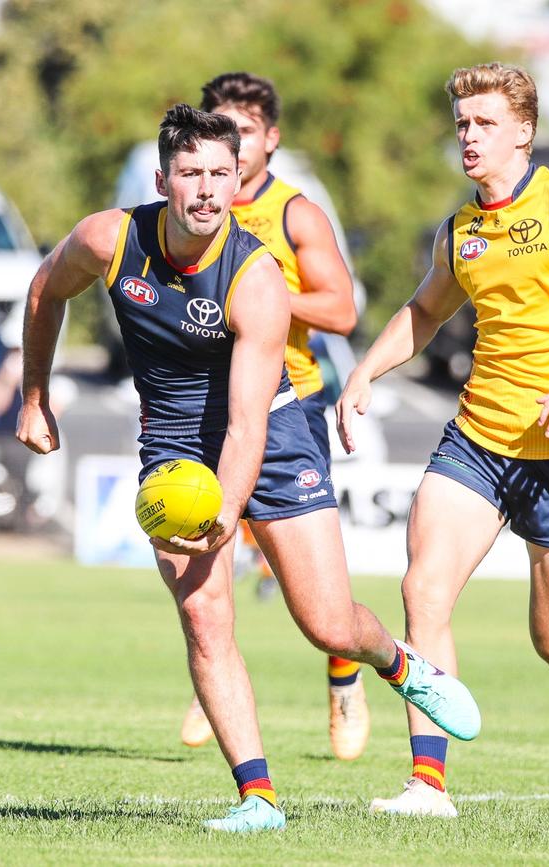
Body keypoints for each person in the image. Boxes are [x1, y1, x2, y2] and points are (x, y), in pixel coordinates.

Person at [17, 104, 480, 833]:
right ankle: (257, 798)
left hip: (275, 429)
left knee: (327, 623)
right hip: (172, 445)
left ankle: (401, 665)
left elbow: (246, 423)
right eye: (191, 173)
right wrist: (34, 397)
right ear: (164, 178)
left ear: (241, 180)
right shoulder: (109, 238)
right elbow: (44, 292)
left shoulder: (257, 279)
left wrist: (228, 511)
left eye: (220, 175)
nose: (206, 189)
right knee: (205, 616)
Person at [336, 61, 549, 818]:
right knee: (421, 588)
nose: (469, 137)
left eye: (485, 124)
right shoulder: (460, 229)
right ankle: (427, 785)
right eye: (463, 124)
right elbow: (424, 310)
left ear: (524, 133)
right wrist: (364, 373)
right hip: (478, 439)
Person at [178, 71, 370, 762]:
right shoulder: (189, 204)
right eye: (220, 128)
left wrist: (262, 293)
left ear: (271, 139)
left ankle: (345, 671)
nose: (232, 142)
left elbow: (344, 311)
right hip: (207, 405)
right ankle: (214, 677)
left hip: (289, 402)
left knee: (314, 592)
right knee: (210, 548)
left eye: (246, 131)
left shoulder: (296, 213)